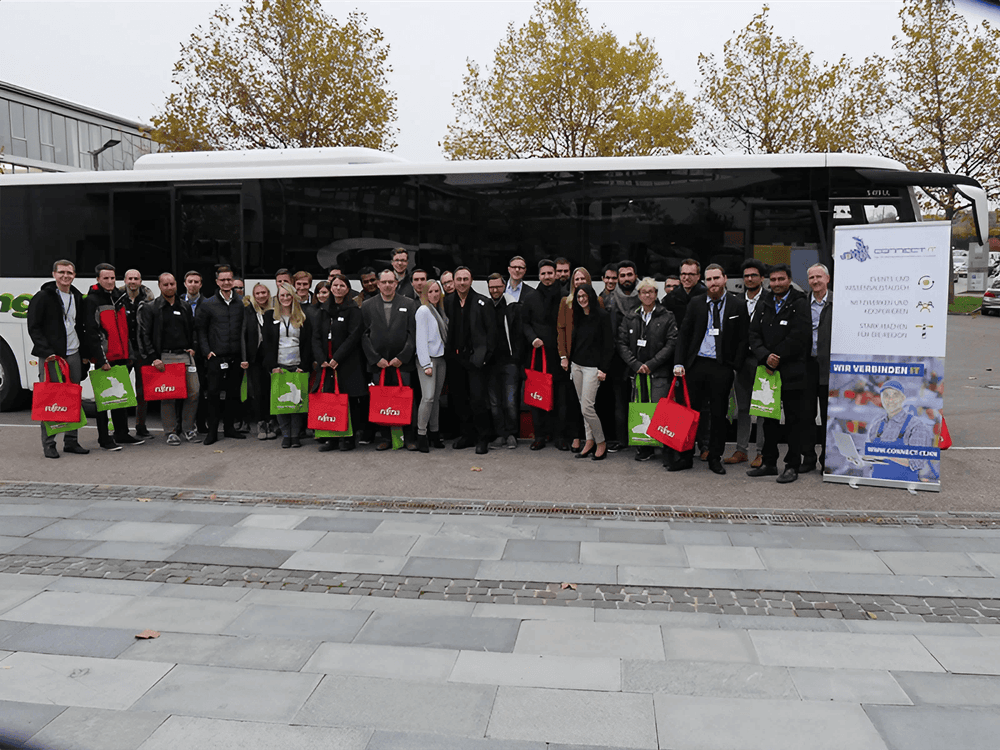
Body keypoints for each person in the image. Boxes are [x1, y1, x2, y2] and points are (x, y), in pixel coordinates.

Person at [671, 264, 749, 475]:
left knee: (718, 415)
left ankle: (715, 457)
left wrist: (735, 366)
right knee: (689, 414)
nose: (713, 283)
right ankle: (686, 456)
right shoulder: (696, 303)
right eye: (709, 279)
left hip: (721, 366)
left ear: (725, 279)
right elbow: (684, 335)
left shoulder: (737, 305)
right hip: (696, 365)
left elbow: (743, 338)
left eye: (716, 278)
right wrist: (679, 363)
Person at [747, 264, 811, 483]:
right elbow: (753, 334)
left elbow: (799, 336)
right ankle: (769, 463)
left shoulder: (800, 303)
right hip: (767, 371)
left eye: (781, 279)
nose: (776, 283)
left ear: (789, 280)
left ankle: (792, 465)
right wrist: (765, 356)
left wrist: (777, 356)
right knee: (768, 420)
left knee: (793, 421)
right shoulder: (764, 302)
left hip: (792, 370)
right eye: (773, 280)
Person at [26, 259, 90, 459]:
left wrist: (85, 354)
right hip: (52, 356)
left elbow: (80, 326)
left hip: (73, 353)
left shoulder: (77, 296)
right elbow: (34, 327)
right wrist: (47, 352)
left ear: (74, 275)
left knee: (73, 397)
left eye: (69, 273)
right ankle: (49, 443)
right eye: (61, 272)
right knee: (51, 398)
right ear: (54, 274)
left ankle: (71, 440)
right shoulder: (43, 297)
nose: (65, 276)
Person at [84, 264, 145, 451]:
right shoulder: (92, 300)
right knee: (103, 401)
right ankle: (104, 438)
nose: (110, 281)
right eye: (106, 278)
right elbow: (92, 333)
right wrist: (101, 359)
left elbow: (124, 330)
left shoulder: (119, 297)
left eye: (112, 278)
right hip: (105, 358)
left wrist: (129, 354)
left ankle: (121, 433)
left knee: (119, 398)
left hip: (121, 355)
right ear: (98, 279)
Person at [618, 277, 678, 461]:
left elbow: (671, 343)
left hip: (658, 372)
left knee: (660, 410)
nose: (647, 295)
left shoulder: (667, 316)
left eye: (650, 292)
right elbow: (621, 343)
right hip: (637, 373)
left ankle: (665, 448)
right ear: (639, 295)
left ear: (656, 294)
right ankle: (645, 447)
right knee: (641, 409)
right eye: (643, 292)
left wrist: (651, 364)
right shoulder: (631, 316)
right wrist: (635, 364)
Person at [138, 273, 200, 445]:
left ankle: (188, 429)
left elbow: (193, 329)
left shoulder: (184, 306)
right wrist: (153, 357)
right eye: (165, 284)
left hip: (185, 355)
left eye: (172, 284)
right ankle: (170, 431)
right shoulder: (151, 307)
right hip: (165, 356)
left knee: (194, 392)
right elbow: (145, 334)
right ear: (159, 286)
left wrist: (193, 346)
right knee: (168, 395)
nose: (169, 287)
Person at [361, 269, 417, 451]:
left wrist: (402, 357)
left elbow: (412, 334)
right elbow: (364, 335)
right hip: (379, 364)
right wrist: (375, 358)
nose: (387, 285)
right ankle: (385, 437)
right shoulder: (367, 306)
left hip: (402, 363)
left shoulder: (409, 304)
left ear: (396, 284)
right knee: (382, 401)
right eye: (383, 282)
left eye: (390, 282)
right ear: (378, 284)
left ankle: (409, 437)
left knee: (405, 400)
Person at [444, 266, 496, 454]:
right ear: (454, 281)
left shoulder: (483, 302)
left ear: (471, 280)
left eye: (465, 279)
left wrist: (484, 358)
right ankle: (467, 435)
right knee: (459, 399)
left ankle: (483, 438)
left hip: (475, 360)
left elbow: (492, 334)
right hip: (455, 359)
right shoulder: (448, 301)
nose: (462, 283)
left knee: (478, 400)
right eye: (458, 279)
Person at [313, 273, 367, 452]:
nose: (338, 288)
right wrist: (322, 359)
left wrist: (337, 358)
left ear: (348, 289)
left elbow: (354, 337)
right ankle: (332, 438)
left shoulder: (353, 310)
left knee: (348, 400)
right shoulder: (322, 310)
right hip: (326, 364)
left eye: (342, 286)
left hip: (346, 362)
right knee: (330, 400)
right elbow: (316, 337)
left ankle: (348, 438)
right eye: (335, 285)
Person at [196, 265, 249, 445]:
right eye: (223, 279)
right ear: (217, 282)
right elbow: (201, 330)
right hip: (215, 357)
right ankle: (212, 432)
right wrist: (207, 352)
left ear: (233, 281)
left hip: (235, 357)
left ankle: (229, 428)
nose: (226, 282)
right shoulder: (207, 304)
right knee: (213, 395)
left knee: (233, 394)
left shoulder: (241, 303)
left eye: (229, 279)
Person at [727, 259, 767, 467]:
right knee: (742, 408)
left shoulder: (769, 300)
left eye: (754, 275)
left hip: (762, 362)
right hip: (741, 362)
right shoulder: (735, 301)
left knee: (762, 409)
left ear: (762, 278)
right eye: (746, 276)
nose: (749, 279)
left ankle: (761, 452)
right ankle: (741, 450)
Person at [262, 283, 312, 448]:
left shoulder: (302, 316)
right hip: (279, 366)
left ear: (293, 296)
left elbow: (307, 344)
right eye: (282, 295)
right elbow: (267, 343)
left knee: (297, 402)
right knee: (281, 402)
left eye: (288, 295)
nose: (285, 298)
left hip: (297, 365)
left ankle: (295, 435)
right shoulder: (270, 316)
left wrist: (304, 365)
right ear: (277, 297)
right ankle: (286, 434)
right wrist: (272, 366)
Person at [522, 259, 565, 450]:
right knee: (538, 396)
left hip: (560, 355)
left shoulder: (565, 296)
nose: (547, 277)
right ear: (539, 276)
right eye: (543, 274)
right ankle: (539, 436)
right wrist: (533, 338)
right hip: (538, 355)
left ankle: (560, 437)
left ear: (556, 274)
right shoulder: (531, 297)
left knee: (561, 398)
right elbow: (524, 323)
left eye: (550, 273)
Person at [568, 285, 613, 460]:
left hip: (592, 368)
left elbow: (609, 344)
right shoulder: (578, 315)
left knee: (587, 407)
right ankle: (589, 440)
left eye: (584, 296)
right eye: (579, 296)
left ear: (591, 296)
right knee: (582, 405)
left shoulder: (602, 316)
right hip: (576, 366)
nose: (581, 299)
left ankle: (601, 442)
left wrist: (603, 368)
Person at [557, 267, 599, 451]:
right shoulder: (565, 302)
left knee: (589, 403)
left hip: (590, 361)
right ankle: (576, 436)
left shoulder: (597, 302)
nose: (579, 282)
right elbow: (560, 330)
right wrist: (563, 356)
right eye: (576, 279)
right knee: (573, 401)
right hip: (571, 360)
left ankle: (593, 438)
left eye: (583, 278)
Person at [604, 260, 641, 451]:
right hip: (617, 359)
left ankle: (642, 441)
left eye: (629, 275)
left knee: (641, 399)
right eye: (622, 275)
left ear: (636, 276)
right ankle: (621, 440)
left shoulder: (645, 296)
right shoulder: (610, 300)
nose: (626, 279)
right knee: (619, 401)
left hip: (642, 357)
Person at [867, 380, 934, 482]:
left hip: (903, 486)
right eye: (886, 395)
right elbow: (872, 457)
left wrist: (887, 455)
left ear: (903, 398)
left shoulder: (916, 426)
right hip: (877, 484)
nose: (890, 400)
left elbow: (917, 462)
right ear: (881, 398)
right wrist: (858, 459)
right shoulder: (877, 425)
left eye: (895, 395)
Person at [487, 273, 522, 449]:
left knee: (510, 401)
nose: (495, 290)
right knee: (494, 402)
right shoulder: (485, 306)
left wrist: (517, 357)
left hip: (510, 361)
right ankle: (500, 434)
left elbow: (519, 334)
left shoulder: (513, 305)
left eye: (498, 287)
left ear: (504, 286)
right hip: (490, 362)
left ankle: (512, 434)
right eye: (491, 287)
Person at [802, 263, 832, 472]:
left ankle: (827, 459)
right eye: (812, 278)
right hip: (807, 366)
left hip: (830, 367)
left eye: (819, 277)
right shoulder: (802, 303)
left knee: (829, 416)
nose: (815, 281)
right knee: (806, 415)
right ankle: (808, 458)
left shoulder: (838, 303)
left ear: (827, 279)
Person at [120, 269, 156, 438]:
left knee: (142, 392)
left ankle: (141, 426)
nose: (133, 281)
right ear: (125, 280)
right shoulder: (117, 298)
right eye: (130, 278)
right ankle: (121, 429)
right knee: (120, 390)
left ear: (141, 281)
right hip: (123, 352)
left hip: (142, 352)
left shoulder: (148, 300)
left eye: (136, 278)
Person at [414, 279, 449, 452]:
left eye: (437, 291)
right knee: (427, 397)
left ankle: (434, 433)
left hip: (441, 358)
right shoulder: (423, 310)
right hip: (428, 360)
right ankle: (421, 434)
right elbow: (420, 339)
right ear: (424, 294)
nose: (434, 295)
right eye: (430, 292)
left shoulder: (439, 310)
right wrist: (425, 364)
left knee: (435, 398)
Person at [245, 282, 276, 440]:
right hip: (255, 357)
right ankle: (261, 423)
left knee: (271, 390)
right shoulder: (249, 312)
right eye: (257, 293)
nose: (261, 296)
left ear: (268, 294)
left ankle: (271, 422)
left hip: (272, 357)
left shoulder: (275, 311)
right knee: (257, 391)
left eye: (264, 293)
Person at [182, 270, 208, 433]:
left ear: (201, 284)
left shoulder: (207, 303)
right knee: (182, 390)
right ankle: (181, 425)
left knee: (200, 390)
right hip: (182, 353)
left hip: (201, 354)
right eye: (190, 281)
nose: (193, 285)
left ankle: (201, 424)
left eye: (196, 282)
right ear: (185, 284)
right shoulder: (177, 302)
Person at [663, 258, 706, 327]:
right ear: (680, 276)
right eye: (684, 274)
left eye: (691, 274)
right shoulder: (670, 298)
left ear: (698, 276)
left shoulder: (707, 296)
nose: (686, 278)